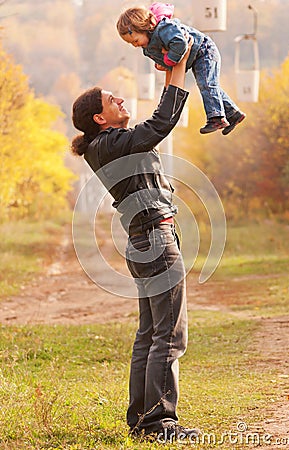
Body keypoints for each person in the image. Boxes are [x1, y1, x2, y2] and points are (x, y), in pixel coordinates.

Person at [71, 38, 200, 442]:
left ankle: (143, 419)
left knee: (150, 333)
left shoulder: (106, 145)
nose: (121, 100)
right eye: (112, 100)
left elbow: (153, 124)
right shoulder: (112, 144)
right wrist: (177, 69)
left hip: (145, 242)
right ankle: (160, 423)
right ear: (99, 118)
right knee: (169, 335)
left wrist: (173, 68)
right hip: (157, 241)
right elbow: (160, 124)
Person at [116, 2, 246, 135]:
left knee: (206, 84)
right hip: (195, 57)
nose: (134, 45)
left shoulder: (164, 29)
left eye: (135, 40)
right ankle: (233, 113)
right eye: (131, 43)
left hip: (204, 50)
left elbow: (180, 43)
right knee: (209, 85)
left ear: (144, 28)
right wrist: (162, 64)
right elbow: (164, 56)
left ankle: (216, 117)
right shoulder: (148, 46)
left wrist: (169, 59)